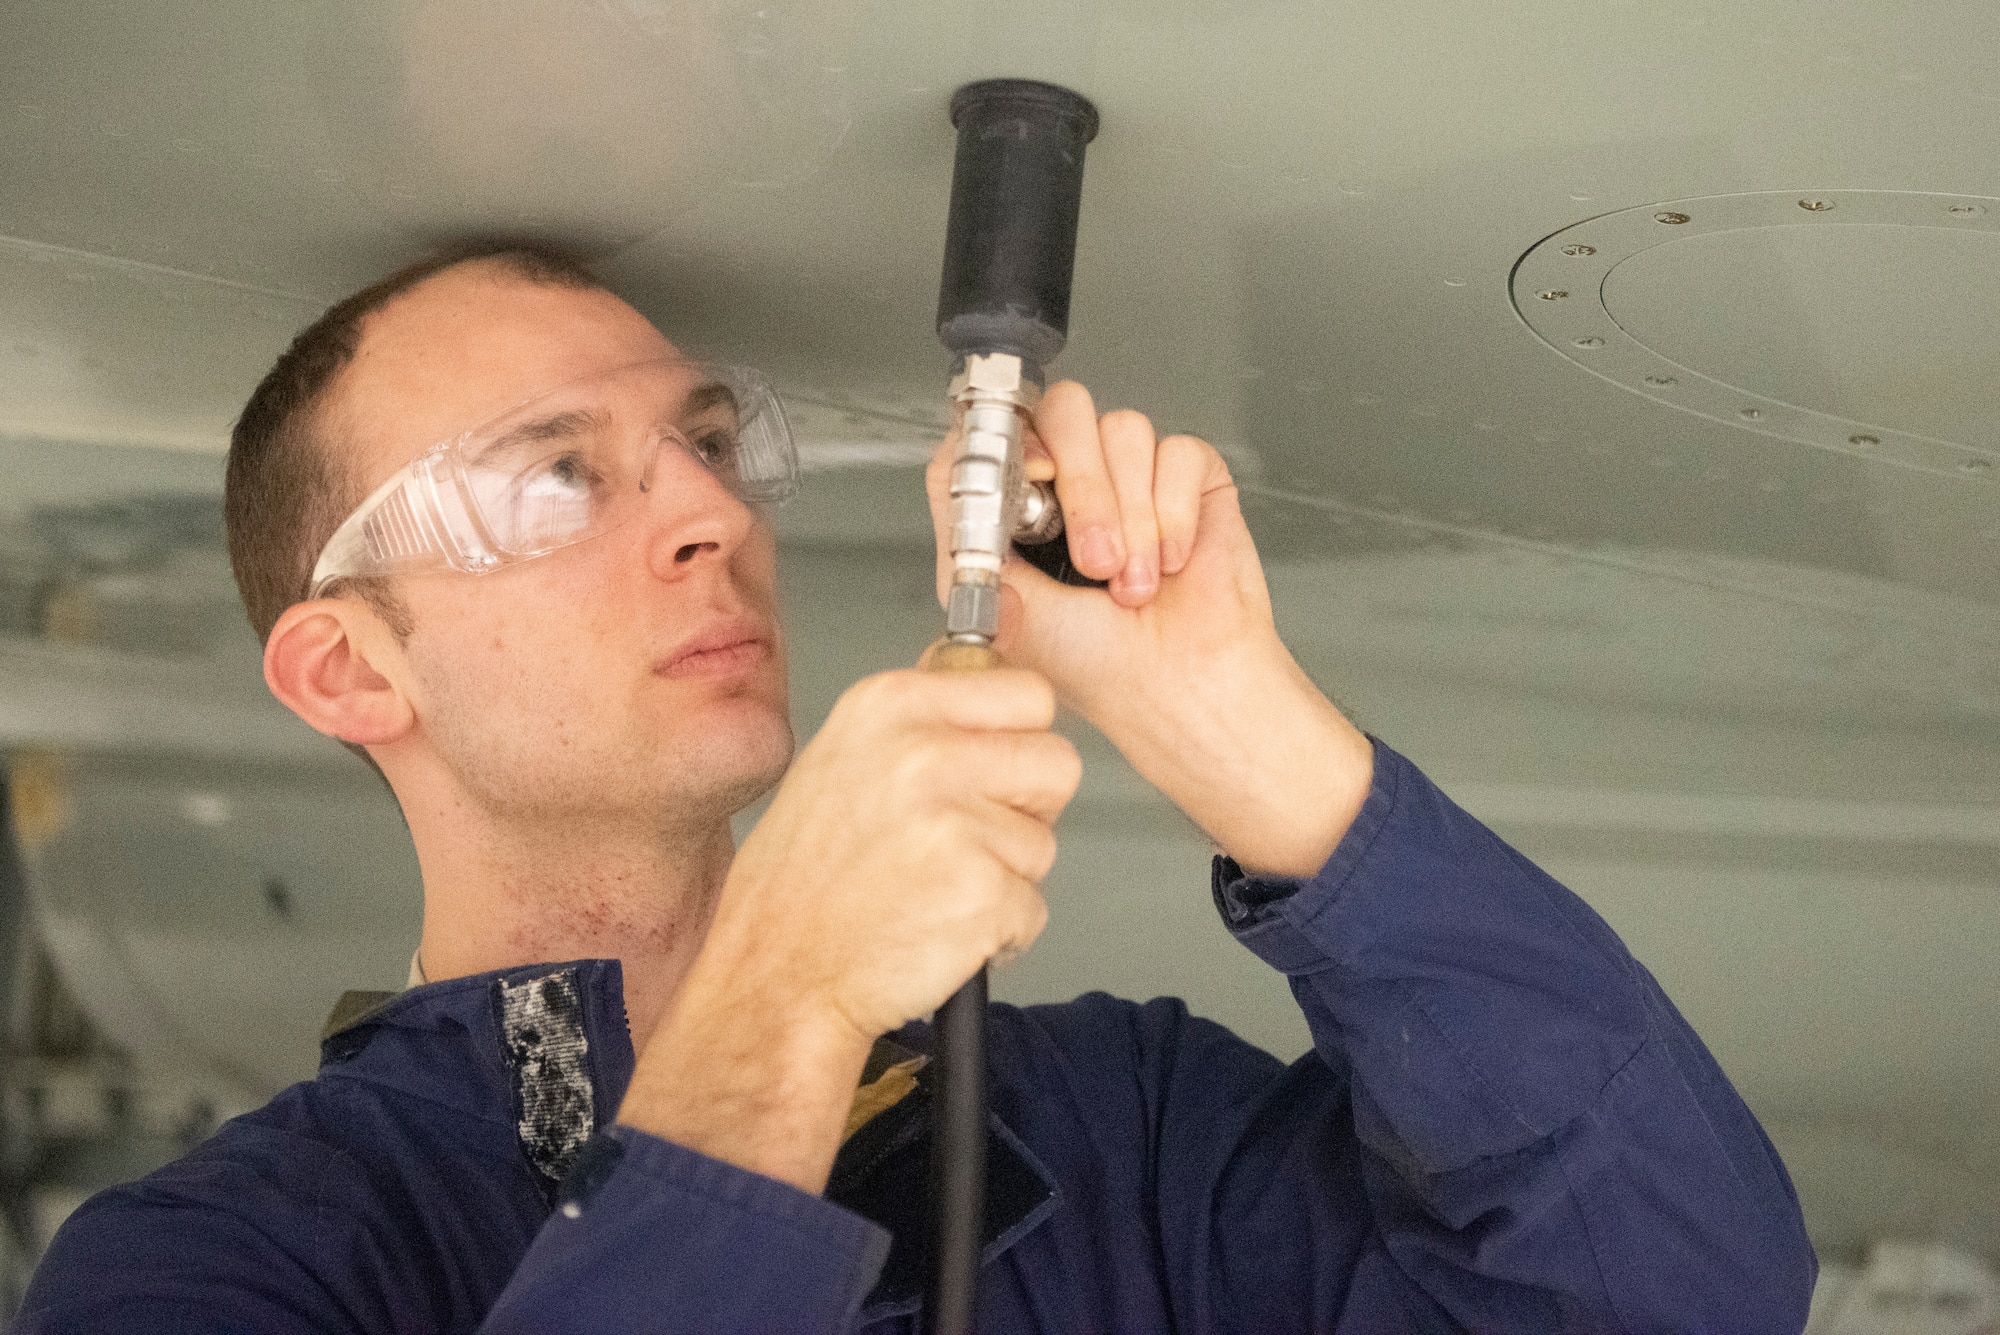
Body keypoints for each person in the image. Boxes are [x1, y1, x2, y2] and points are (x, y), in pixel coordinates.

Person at [17, 242, 1816, 1332]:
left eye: (706, 448)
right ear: (351, 668)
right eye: (551, 480)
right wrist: (781, 1003)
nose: (713, 515)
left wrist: (1259, 747)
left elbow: (1666, 1293)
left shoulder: (1113, 1126)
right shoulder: (224, 1271)